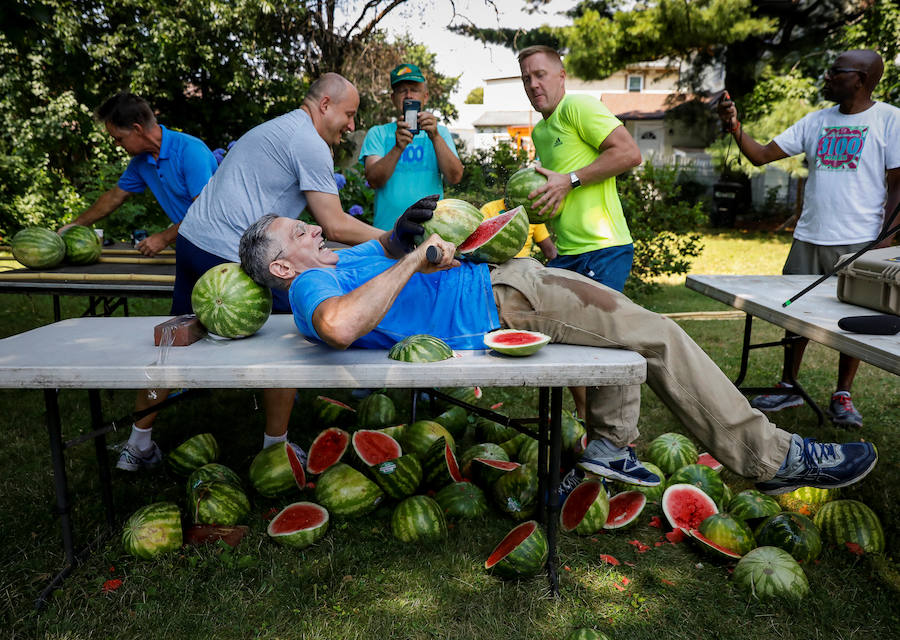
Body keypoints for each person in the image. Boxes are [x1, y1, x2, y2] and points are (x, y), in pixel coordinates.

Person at [238, 211, 879, 497]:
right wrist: (413, 257)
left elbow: (377, 251)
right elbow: (340, 324)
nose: (314, 228)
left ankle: (609, 447)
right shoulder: (310, 286)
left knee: (630, 328)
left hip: (507, 281)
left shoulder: (332, 259)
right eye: (300, 233)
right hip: (506, 301)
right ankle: (772, 457)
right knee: (659, 335)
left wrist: (400, 232)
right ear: (282, 265)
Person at [116, 73, 430, 472]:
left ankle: (137, 445)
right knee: (289, 338)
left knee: (174, 342)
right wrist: (398, 241)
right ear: (325, 105)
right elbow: (334, 225)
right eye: (349, 114)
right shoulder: (309, 143)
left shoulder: (279, 126)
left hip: (194, 240)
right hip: (235, 252)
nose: (351, 126)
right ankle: (274, 448)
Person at [717, 49, 900, 429]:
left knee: (855, 319)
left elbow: (898, 185)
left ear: (862, 79)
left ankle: (842, 394)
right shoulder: (816, 121)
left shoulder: (890, 120)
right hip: (809, 236)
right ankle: (788, 385)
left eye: (837, 72)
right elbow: (761, 156)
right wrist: (735, 127)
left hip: (861, 242)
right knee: (795, 314)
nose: (827, 77)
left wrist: (887, 238)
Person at [517, 44, 643, 457]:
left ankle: (620, 443)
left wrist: (569, 180)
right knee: (567, 343)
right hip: (566, 252)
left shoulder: (579, 107)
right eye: (526, 78)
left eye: (540, 74)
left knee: (605, 344)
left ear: (561, 75)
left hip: (604, 246)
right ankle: (593, 430)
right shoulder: (539, 131)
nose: (533, 84)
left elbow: (628, 153)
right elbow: (553, 187)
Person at [60, 92, 218, 257]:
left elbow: (205, 213)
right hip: (191, 247)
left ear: (137, 129)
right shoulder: (141, 162)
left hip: (219, 248)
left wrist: (163, 238)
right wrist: (75, 225)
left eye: (119, 138)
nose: (116, 144)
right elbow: (114, 197)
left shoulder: (191, 151)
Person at [359, 63, 464, 230]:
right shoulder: (377, 133)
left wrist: (435, 137)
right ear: (393, 98)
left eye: (414, 90)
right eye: (402, 90)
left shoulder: (440, 133)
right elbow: (373, 180)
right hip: (386, 234)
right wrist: (398, 148)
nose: (408, 95)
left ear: (425, 96)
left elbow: (455, 177)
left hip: (430, 231)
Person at [480, 199, 558, 260]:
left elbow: (549, 250)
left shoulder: (531, 214)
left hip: (521, 263)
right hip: (493, 261)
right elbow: (481, 240)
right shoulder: (489, 208)